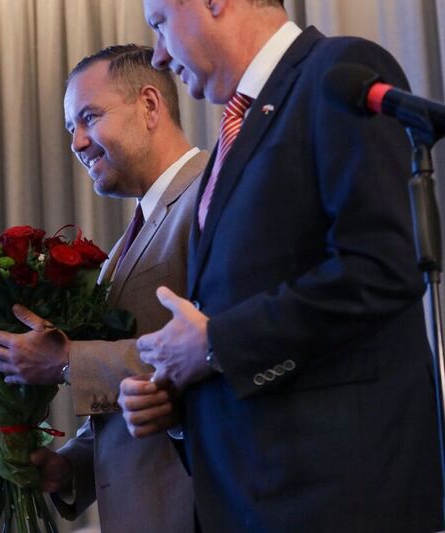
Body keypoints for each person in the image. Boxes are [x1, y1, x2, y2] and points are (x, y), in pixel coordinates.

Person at [119, 0, 443, 531]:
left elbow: (382, 268)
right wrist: (180, 388)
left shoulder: (339, 74)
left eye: (159, 23)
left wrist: (216, 344)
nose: (157, 54)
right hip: (254, 494)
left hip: (336, 496)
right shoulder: (238, 129)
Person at [0, 44, 208, 532]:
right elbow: (129, 407)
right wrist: (70, 468)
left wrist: (66, 361)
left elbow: (215, 347)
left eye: (90, 118)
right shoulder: (129, 238)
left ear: (149, 106)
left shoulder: (208, 194)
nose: (77, 143)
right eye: (70, 128)